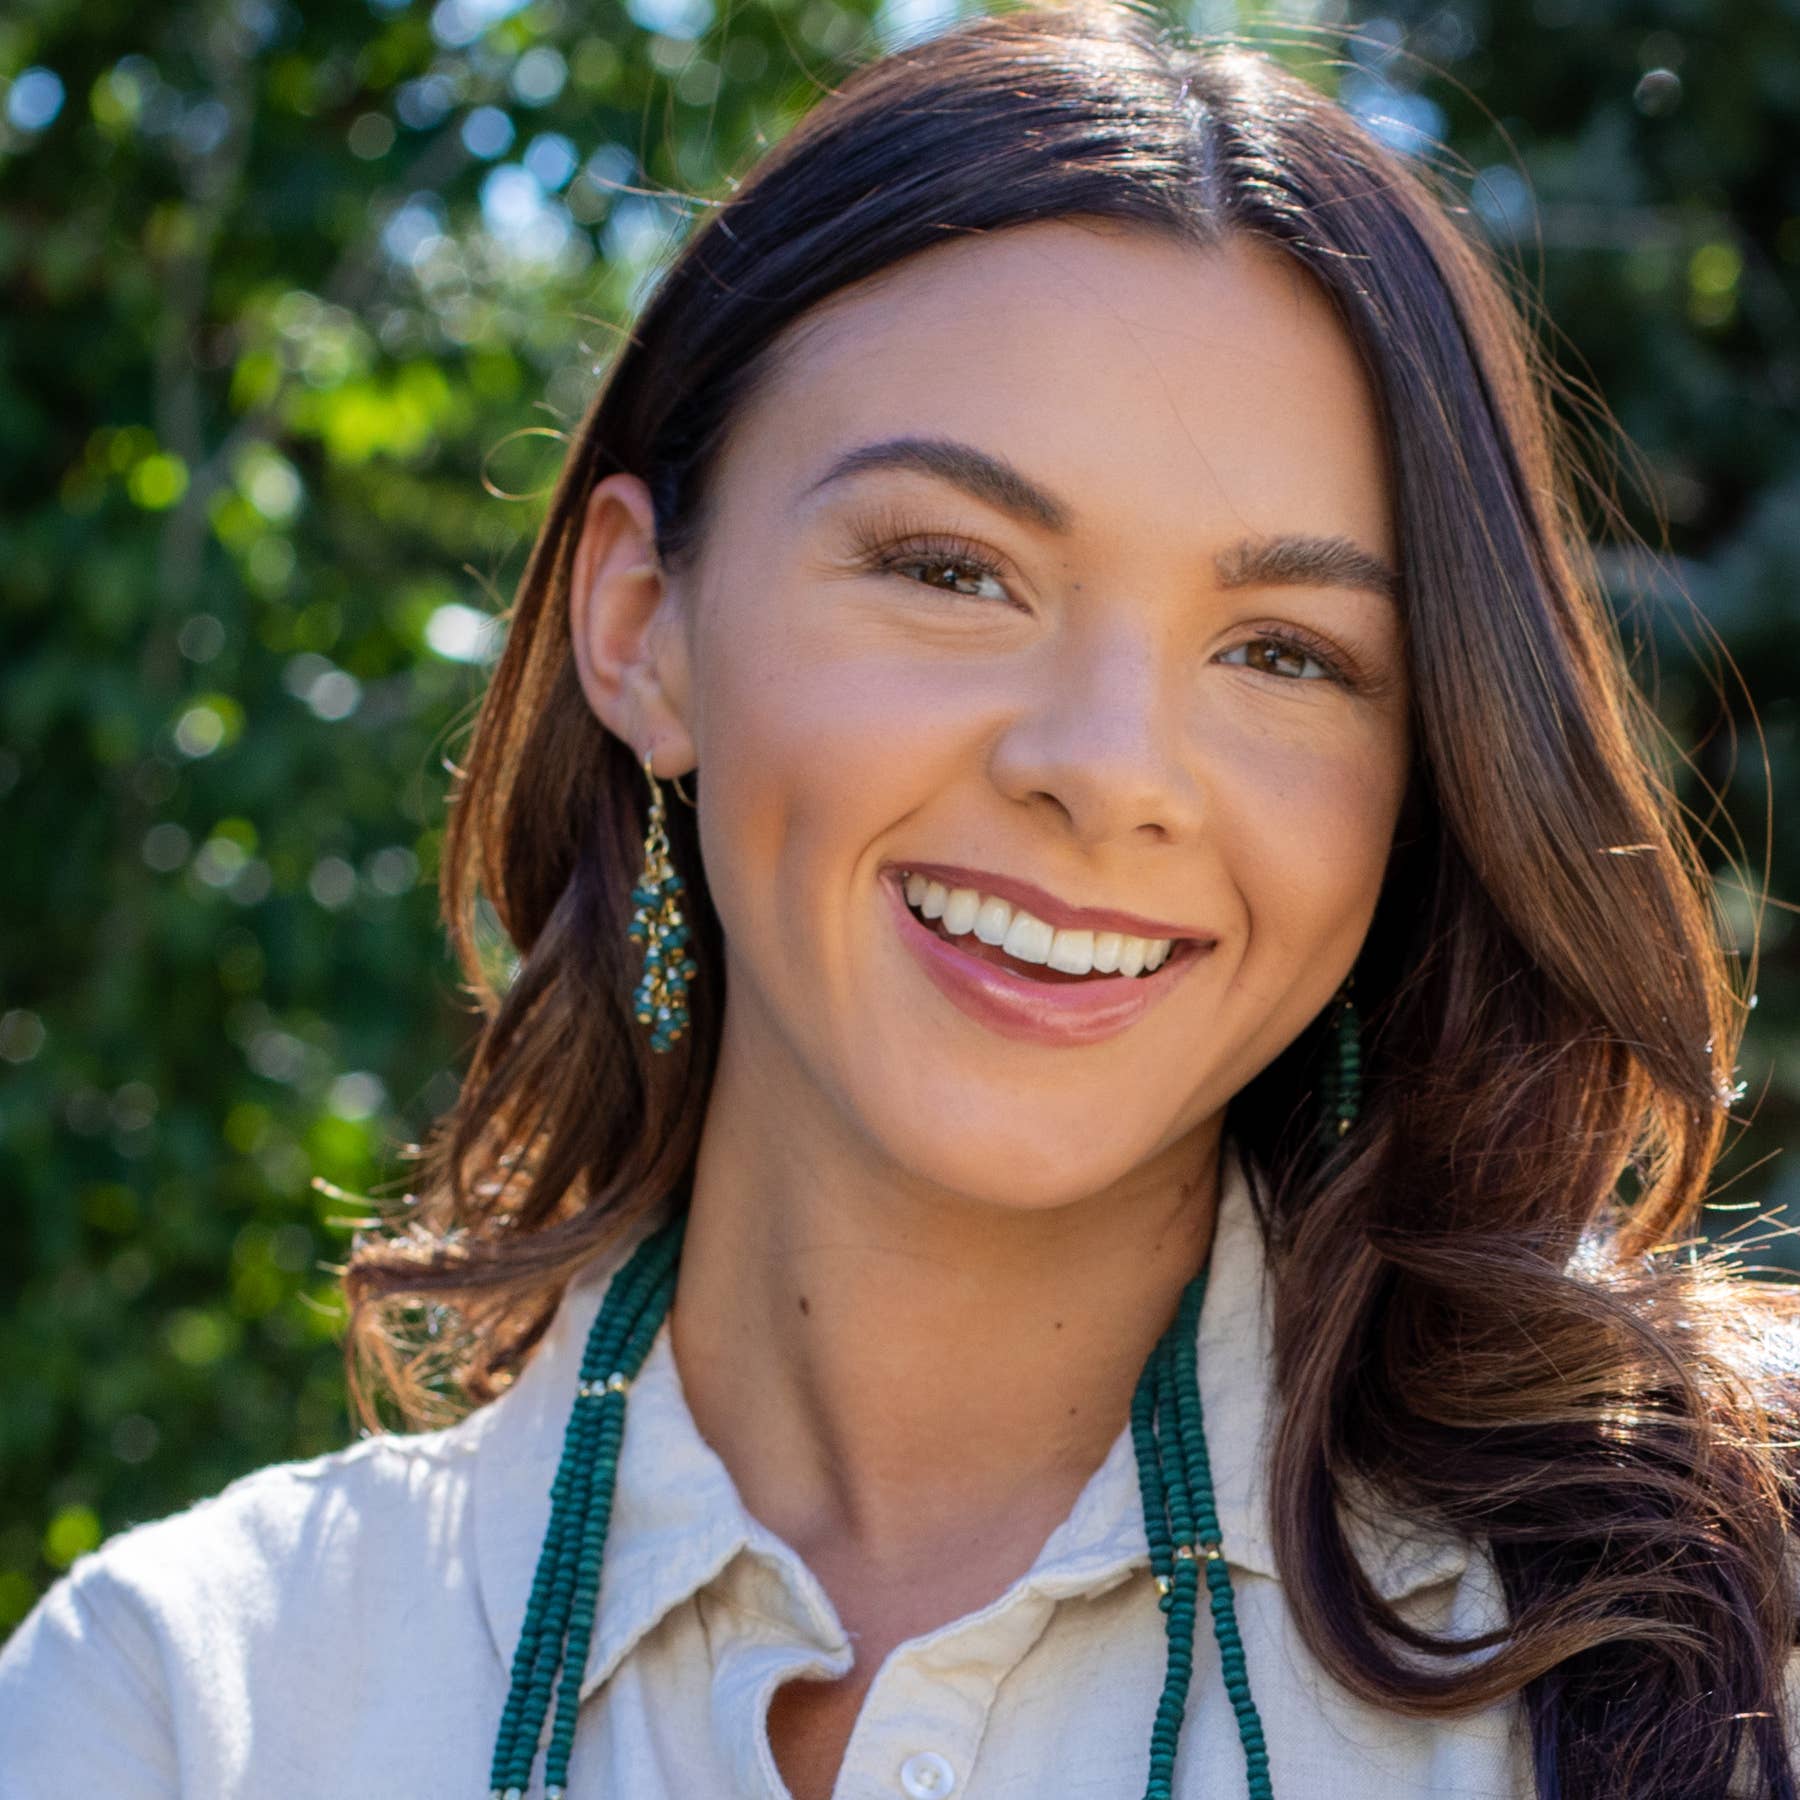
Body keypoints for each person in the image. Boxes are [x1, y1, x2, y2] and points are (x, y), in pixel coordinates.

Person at [4, 2, 1796, 1795]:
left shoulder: (1715, 1639)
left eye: (1286, 652)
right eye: (954, 569)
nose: (1109, 767)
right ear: (643, 623)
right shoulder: (188, 1707)